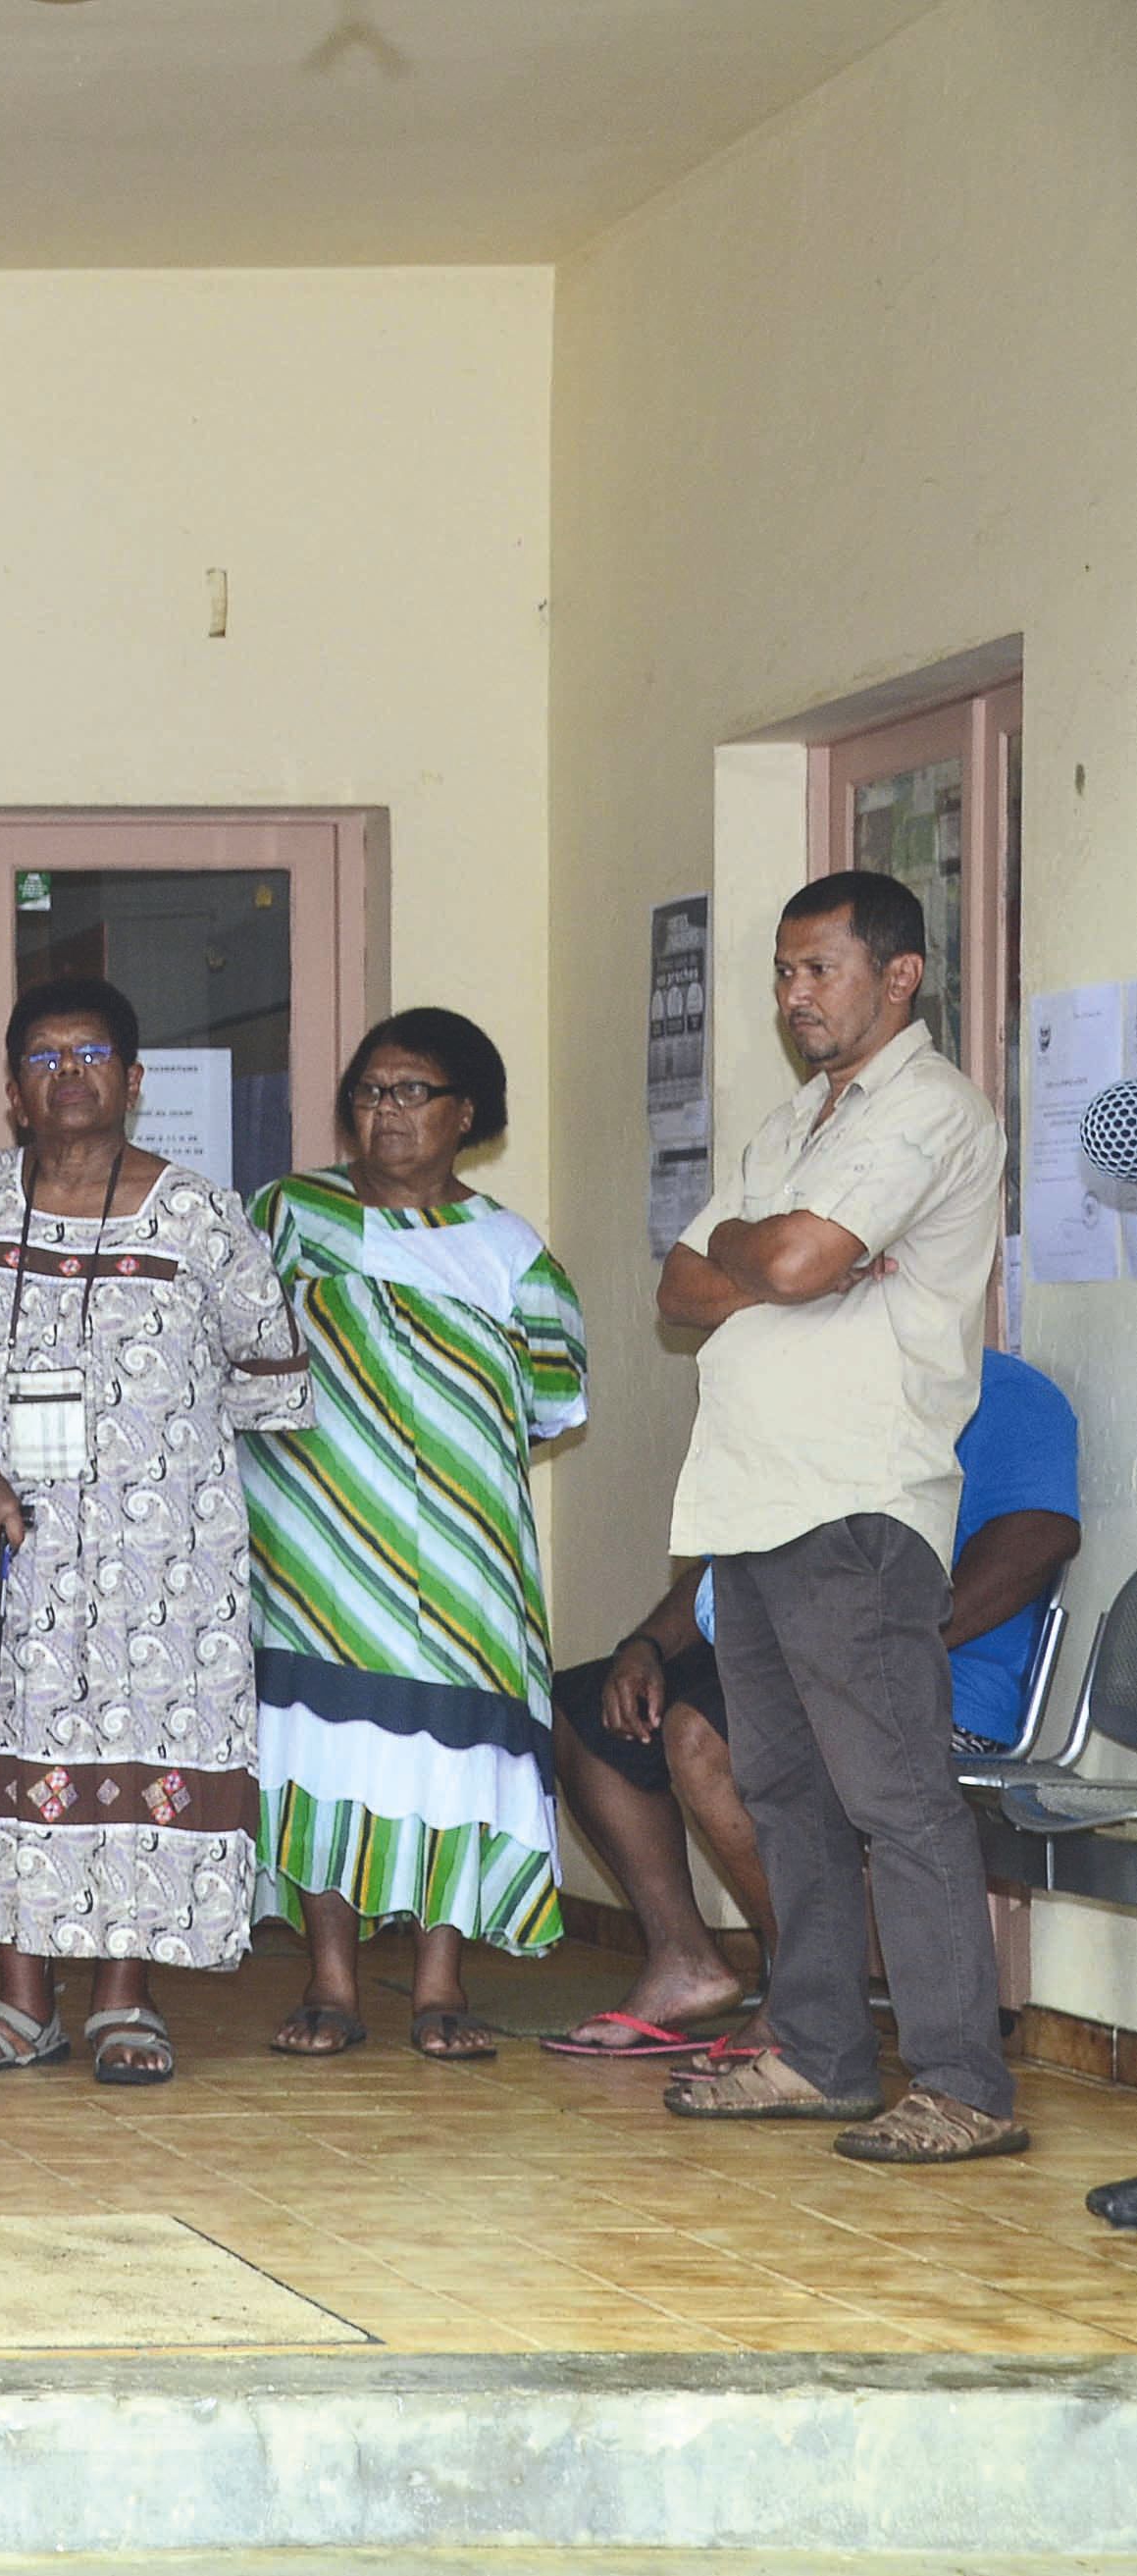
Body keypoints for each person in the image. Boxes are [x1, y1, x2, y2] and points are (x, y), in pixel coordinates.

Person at [0, 976, 309, 2090]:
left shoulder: (202, 1216)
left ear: (131, 1080)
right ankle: (21, 2008)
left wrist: (156, 1458)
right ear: (15, 1091)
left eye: (88, 1055)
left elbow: (268, 1376)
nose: (65, 1074)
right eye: (41, 1058)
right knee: (8, 1764)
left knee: (137, 1765)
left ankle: (126, 2002)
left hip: (157, 1561)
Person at [654, 869, 1018, 2160]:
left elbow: (785, 1263)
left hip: (855, 1502)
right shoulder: (795, 1121)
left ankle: (963, 2083)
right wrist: (781, 1251)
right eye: (782, 971)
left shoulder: (928, 1112)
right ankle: (819, 2054)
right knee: (783, 1790)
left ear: (898, 974)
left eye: (818, 969)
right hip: (753, 1500)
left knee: (895, 1796)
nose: (793, 994)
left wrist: (779, 1256)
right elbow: (678, 1285)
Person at [543, 1347, 1077, 2059]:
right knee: (586, 1708)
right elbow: (736, 1553)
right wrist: (643, 1645)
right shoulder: (827, 1386)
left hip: (938, 1680)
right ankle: (686, 1958)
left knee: (702, 1735)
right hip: (800, 1649)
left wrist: (890, 1644)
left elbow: (1039, 1534)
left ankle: (809, 2003)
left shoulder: (1010, 1394)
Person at [244, 1009, 587, 2061]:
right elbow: (225, 1348)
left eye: (409, 1093)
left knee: (454, 1755)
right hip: (310, 1546)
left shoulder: (510, 1251)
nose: (383, 1114)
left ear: (464, 1112)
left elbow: (552, 1401)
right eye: (368, 1093)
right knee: (322, 1750)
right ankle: (330, 1981)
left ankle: (440, 1984)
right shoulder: (285, 1215)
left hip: (462, 1555)